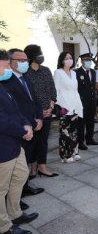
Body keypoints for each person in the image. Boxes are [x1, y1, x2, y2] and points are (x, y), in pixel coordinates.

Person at [0, 49, 39, 234]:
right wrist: (23, 129)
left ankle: (14, 213)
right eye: (6, 64)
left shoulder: (1, 86)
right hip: (3, 146)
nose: (9, 67)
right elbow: (2, 119)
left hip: (14, 144)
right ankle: (3, 228)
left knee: (21, 175)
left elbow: (14, 109)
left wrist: (25, 122)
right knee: (1, 188)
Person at [3, 48, 45, 200]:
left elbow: (35, 100)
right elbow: (11, 109)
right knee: (16, 166)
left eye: (25, 60)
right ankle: (16, 197)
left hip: (32, 124)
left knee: (26, 159)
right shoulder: (6, 81)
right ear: (11, 62)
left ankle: (24, 188)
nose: (24, 63)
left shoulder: (26, 77)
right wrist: (24, 125)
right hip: (19, 129)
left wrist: (39, 118)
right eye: (20, 61)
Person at [24, 44, 58, 179]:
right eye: (39, 53)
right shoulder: (25, 73)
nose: (41, 56)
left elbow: (52, 90)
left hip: (47, 112)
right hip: (32, 114)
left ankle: (42, 166)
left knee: (43, 140)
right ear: (31, 56)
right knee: (32, 141)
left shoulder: (46, 70)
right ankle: (33, 167)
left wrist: (50, 108)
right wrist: (38, 112)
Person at [54, 52, 83, 163]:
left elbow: (75, 90)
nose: (69, 60)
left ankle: (75, 151)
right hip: (64, 106)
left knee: (74, 131)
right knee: (65, 131)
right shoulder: (58, 72)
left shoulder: (74, 73)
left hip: (75, 104)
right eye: (66, 58)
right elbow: (56, 90)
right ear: (62, 60)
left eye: (71, 58)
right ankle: (65, 155)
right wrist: (59, 106)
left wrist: (78, 105)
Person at [75, 53, 98, 150]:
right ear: (82, 61)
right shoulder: (76, 72)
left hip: (92, 101)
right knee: (81, 123)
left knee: (90, 121)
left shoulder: (93, 72)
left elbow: (92, 87)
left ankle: (89, 139)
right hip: (82, 102)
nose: (88, 61)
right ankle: (80, 142)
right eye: (86, 59)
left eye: (89, 59)